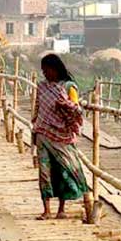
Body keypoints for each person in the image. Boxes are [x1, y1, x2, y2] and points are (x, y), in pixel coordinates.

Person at [32, 53, 91, 220]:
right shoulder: (42, 87)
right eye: (43, 71)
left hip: (62, 136)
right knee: (44, 172)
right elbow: (38, 109)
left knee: (63, 171)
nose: (46, 74)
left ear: (56, 69)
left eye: (47, 70)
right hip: (43, 133)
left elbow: (76, 108)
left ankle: (61, 209)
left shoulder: (68, 87)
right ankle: (46, 210)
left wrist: (66, 105)